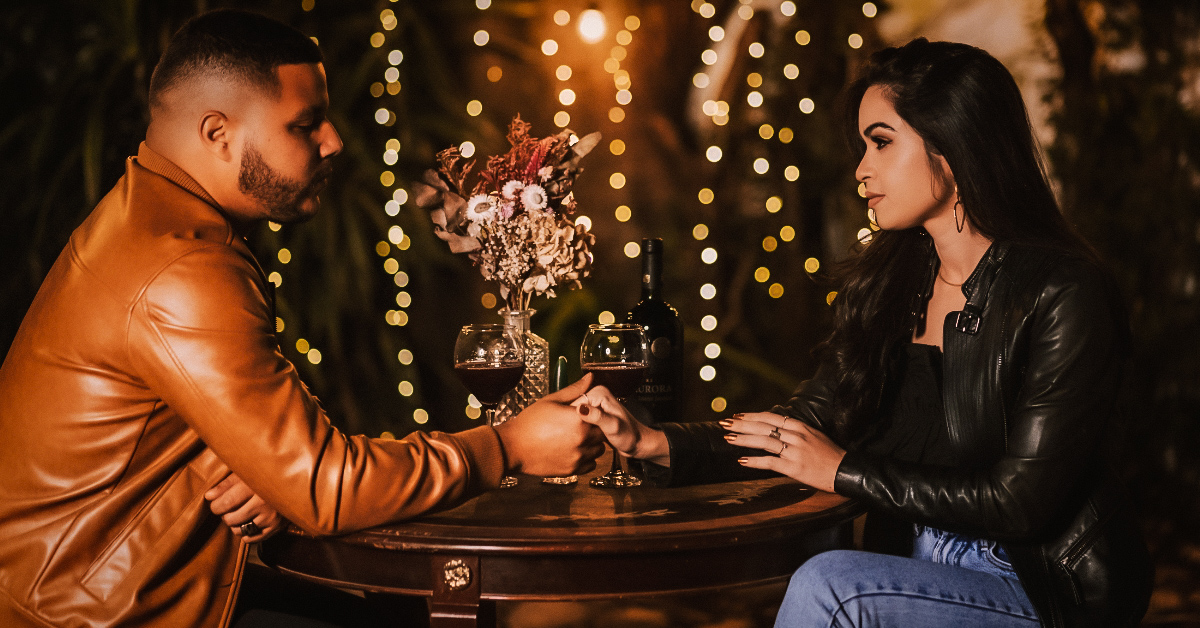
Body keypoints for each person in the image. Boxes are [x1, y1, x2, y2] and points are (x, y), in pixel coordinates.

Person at [0, 10, 604, 628]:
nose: (334, 140)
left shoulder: (144, 215)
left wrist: (273, 474)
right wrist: (509, 446)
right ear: (218, 133)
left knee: (401, 615)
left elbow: (278, 460)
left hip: (93, 592)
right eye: (305, 124)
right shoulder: (184, 268)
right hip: (90, 614)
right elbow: (328, 486)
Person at [580, 39, 1153, 627]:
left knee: (833, 585)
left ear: (952, 145)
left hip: (1037, 585)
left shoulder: (1062, 291)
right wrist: (655, 442)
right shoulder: (896, 282)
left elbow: (1020, 503)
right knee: (834, 575)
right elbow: (805, 426)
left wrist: (841, 469)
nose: (861, 169)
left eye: (881, 142)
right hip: (912, 561)